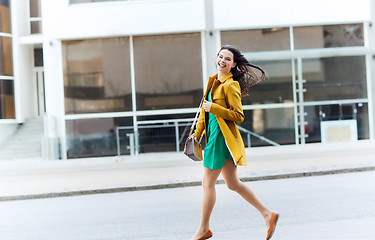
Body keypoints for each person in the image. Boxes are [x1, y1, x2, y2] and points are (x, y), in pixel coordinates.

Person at [190, 45, 279, 240]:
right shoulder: (213, 81)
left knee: (207, 184)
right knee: (232, 183)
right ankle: (267, 214)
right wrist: (196, 134)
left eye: (227, 59)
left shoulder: (231, 85)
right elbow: (204, 115)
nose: (222, 61)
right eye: (220, 57)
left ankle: (203, 229)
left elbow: (238, 116)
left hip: (220, 139)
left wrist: (214, 107)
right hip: (212, 137)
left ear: (233, 64)